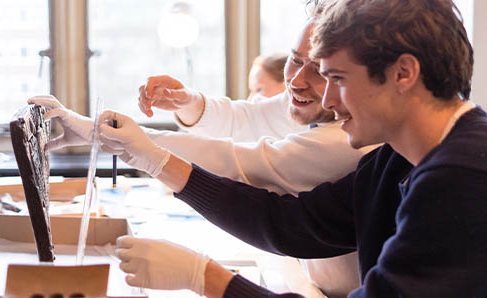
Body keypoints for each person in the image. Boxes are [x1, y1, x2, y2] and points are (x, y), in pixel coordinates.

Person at [95, 0, 486, 297]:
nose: (330, 101)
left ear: (403, 73)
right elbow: (294, 223)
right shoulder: (396, 158)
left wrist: (205, 277)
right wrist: (154, 159)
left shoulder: (460, 181)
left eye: (337, 78)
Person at [29, 15, 367, 297]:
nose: (295, 81)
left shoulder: (350, 141)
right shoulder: (321, 103)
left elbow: (243, 165)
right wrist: (188, 102)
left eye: (321, 72)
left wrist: (114, 137)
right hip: (306, 277)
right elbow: (248, 118)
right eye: (294, 60)